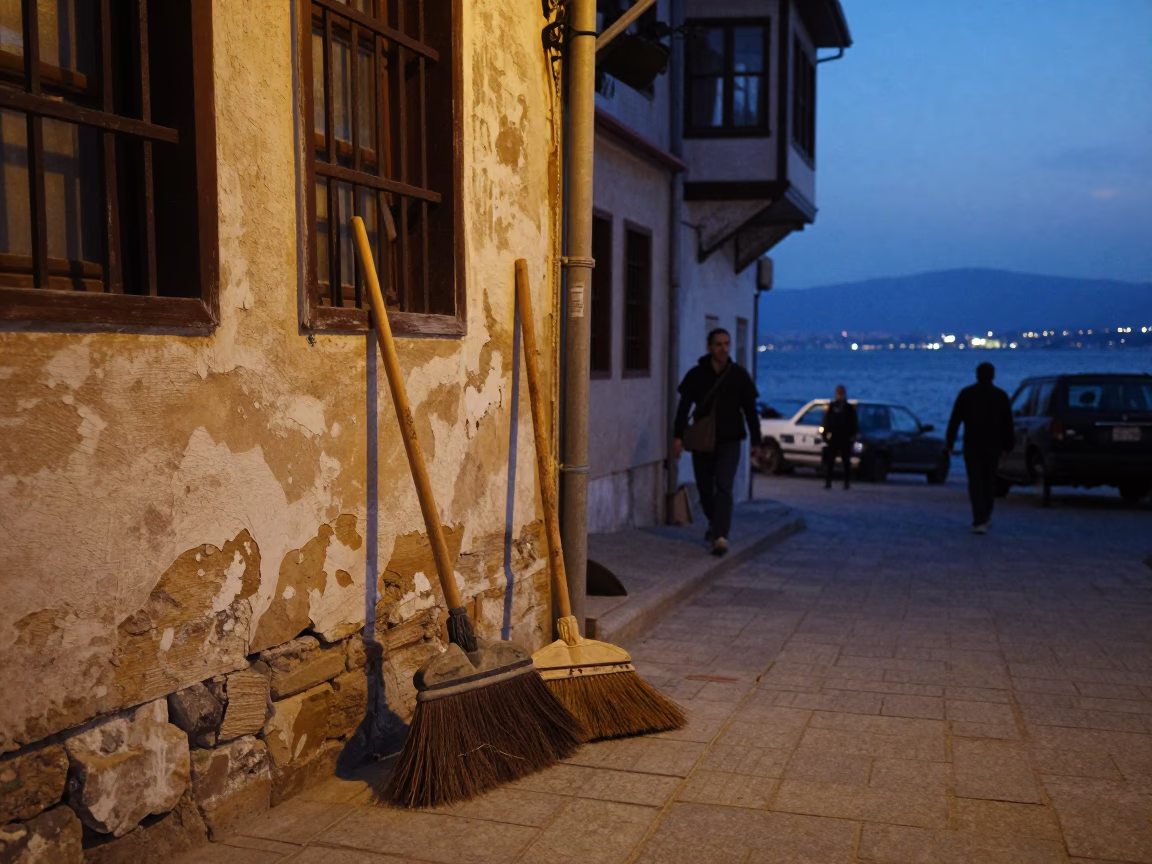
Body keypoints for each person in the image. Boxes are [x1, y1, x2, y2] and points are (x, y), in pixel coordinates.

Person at [672, 328, 762, 557]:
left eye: (727, 344)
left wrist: (756, 441)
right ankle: (714, 523)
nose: (723, 348)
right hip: (703, 441)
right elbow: (683, 408)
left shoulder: (739, 375)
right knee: (704, 489)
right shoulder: (697, 374)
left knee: (724, 486)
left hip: (730, 440)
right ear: (710, 347)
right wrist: (678, 436)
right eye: (719, 344)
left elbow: (750, 411)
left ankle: (721, 535)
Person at [946, 362, 1014, 534]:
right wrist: (1008, 444)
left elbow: (955, 420)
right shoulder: (1000, 396)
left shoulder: (967, 394)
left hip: (973, 444)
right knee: (989, 480)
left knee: (975, 482)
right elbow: (1008, 423)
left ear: (977, 375)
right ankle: (985, 515)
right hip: (993, 445)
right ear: (993, 376)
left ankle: (979, 517)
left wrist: (950, 442)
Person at [821, 386, 858, 490]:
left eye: (841, 393)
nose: (840, 395)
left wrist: (853, 436)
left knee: (846, 462)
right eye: (838, 393)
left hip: (845, 438)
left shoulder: (849, 408)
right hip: (834, 437)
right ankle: (828, 482)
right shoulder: (832, 406)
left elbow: (854, 423)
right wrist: (825, 436)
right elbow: (826, 421)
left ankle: (846, 483)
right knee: (830, 462)